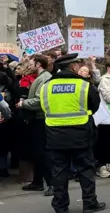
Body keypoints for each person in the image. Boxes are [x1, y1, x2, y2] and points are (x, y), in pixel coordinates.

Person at [39, 53, 106, 213]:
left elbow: (44, 107)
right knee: (85, 170)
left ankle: (60, 206)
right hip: (80, 134)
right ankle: (89, 204)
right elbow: (94, 105)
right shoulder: (83, 85)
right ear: (74, 66)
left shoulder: (47, 86)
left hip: (55, 135)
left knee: (59, 172)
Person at [18, 55, 54, 195]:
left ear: (38, 64)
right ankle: (37, 182)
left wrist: (23, 103)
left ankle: (52, 184)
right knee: (37, 151)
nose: (29, 66)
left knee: (42, 152)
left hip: (41, 118)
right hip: (38, 118)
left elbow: (40, 101)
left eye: (32, 63)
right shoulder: (41, 77)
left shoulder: (44, 79)